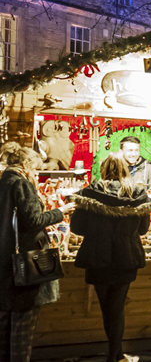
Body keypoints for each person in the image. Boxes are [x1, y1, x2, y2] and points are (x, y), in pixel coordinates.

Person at [71, 153, 151, 362]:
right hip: (126, 255)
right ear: (125, 169)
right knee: (116, 307)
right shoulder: (138, 195)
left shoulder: (90, 193)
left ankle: (115, 356)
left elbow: (77, 227)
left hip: (97, 255)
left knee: (106, 307)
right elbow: (143, 230)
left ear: (103, 169)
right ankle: (116, 356)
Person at [0, 143, 75, 362]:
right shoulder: (21, 184)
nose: (37, 173)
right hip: (24, 261)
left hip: (5, 261)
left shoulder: (3, 181)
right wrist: (60, 212)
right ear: (25, 164)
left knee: (4, 323)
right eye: (35, 168)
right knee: (23, 324)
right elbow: (33, 221)